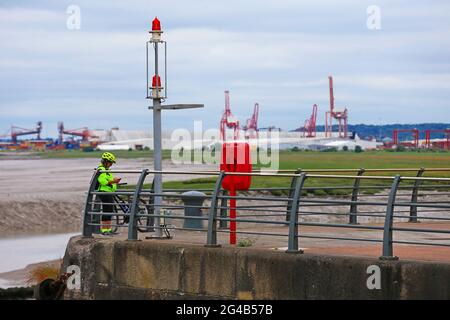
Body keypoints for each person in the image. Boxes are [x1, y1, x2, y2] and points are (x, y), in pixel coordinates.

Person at [97, 152, 121, 235]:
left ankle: (109, 229)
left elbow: (109, 180)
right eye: (110, 162)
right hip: (104, 192)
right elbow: (103, 181)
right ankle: (104, 230)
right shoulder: (101, 170)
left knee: (110, 210)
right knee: (106, 210)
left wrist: (114, 181)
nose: (111, 164)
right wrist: (113, 181)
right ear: (105, 161)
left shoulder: (107, 170)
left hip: (109, 192)